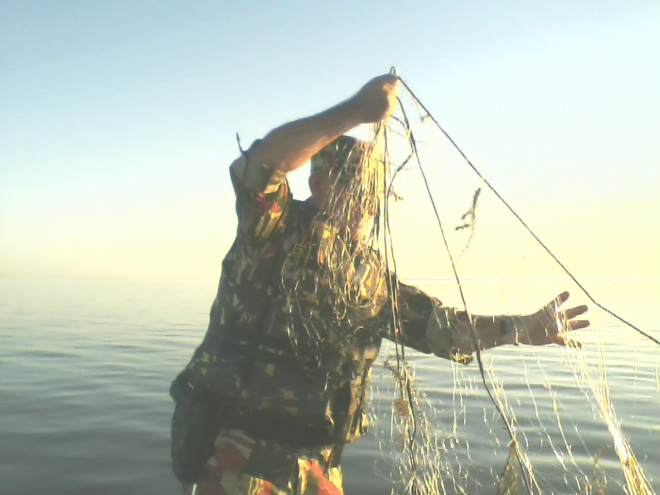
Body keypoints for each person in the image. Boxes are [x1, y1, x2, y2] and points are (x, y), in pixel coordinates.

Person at [169, 74, 590, 495]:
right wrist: (354, 111)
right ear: (318, 184)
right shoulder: (274, 232)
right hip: (241, 464)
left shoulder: (370, 278)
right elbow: (260, 165)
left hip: (318, 468)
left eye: (377, 191)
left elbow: (442, 330)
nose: (371, 201)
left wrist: (519, 329)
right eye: (359, 186)